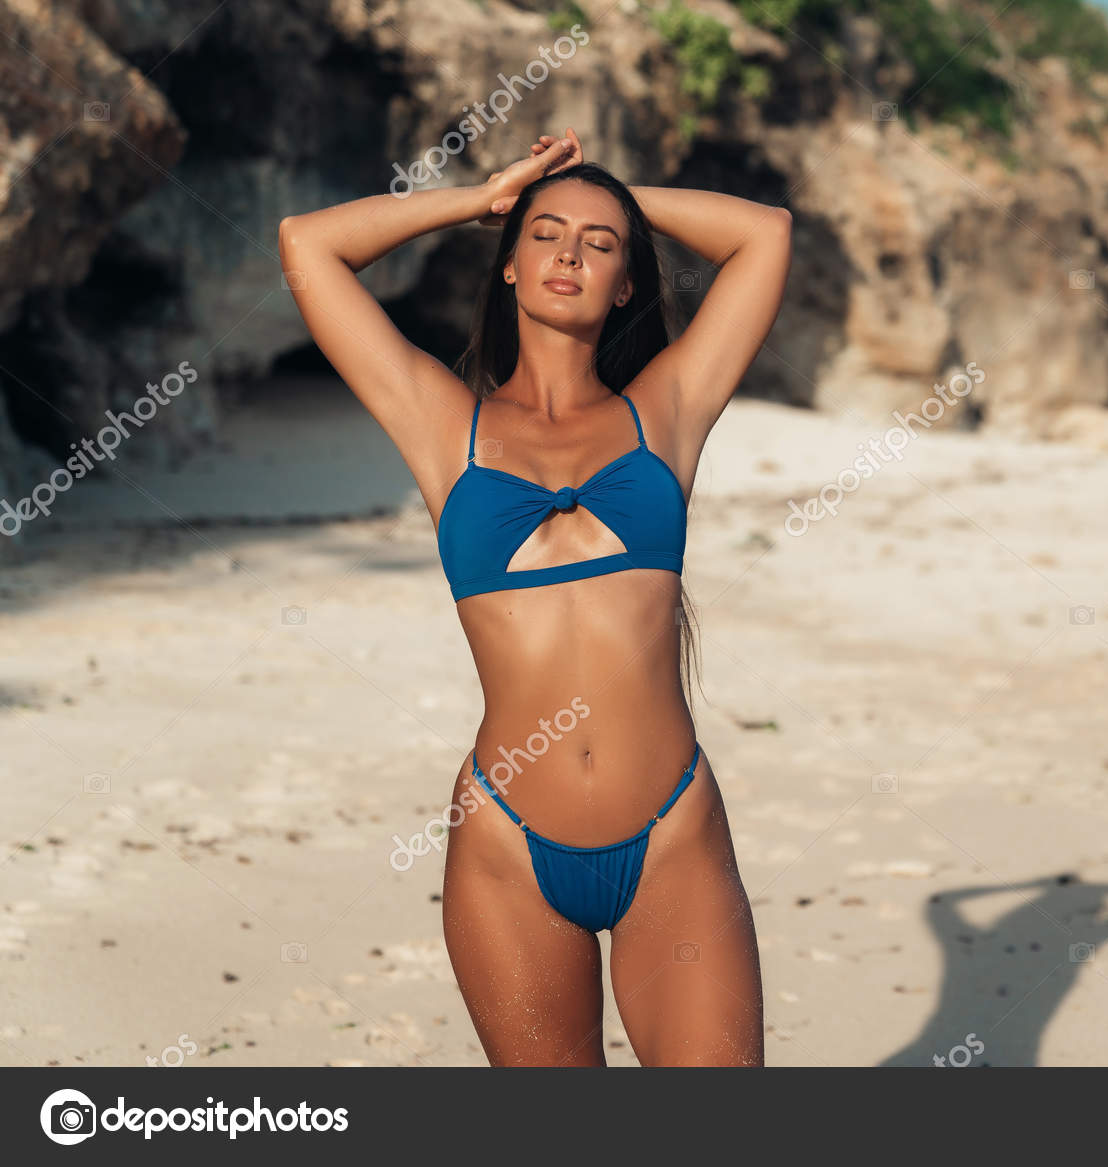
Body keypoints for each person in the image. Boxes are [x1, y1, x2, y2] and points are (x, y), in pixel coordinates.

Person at [278, 127, 791, 1065]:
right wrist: (488, 195)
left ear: (627, 283)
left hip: (672, 835)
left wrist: (602, 190)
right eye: (546, 234)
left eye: (601, 245)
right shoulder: (445, 424)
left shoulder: (664, 410)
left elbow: (765, 233)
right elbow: (309, 244)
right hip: (509, 851)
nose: (570, 253)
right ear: (509, 264)